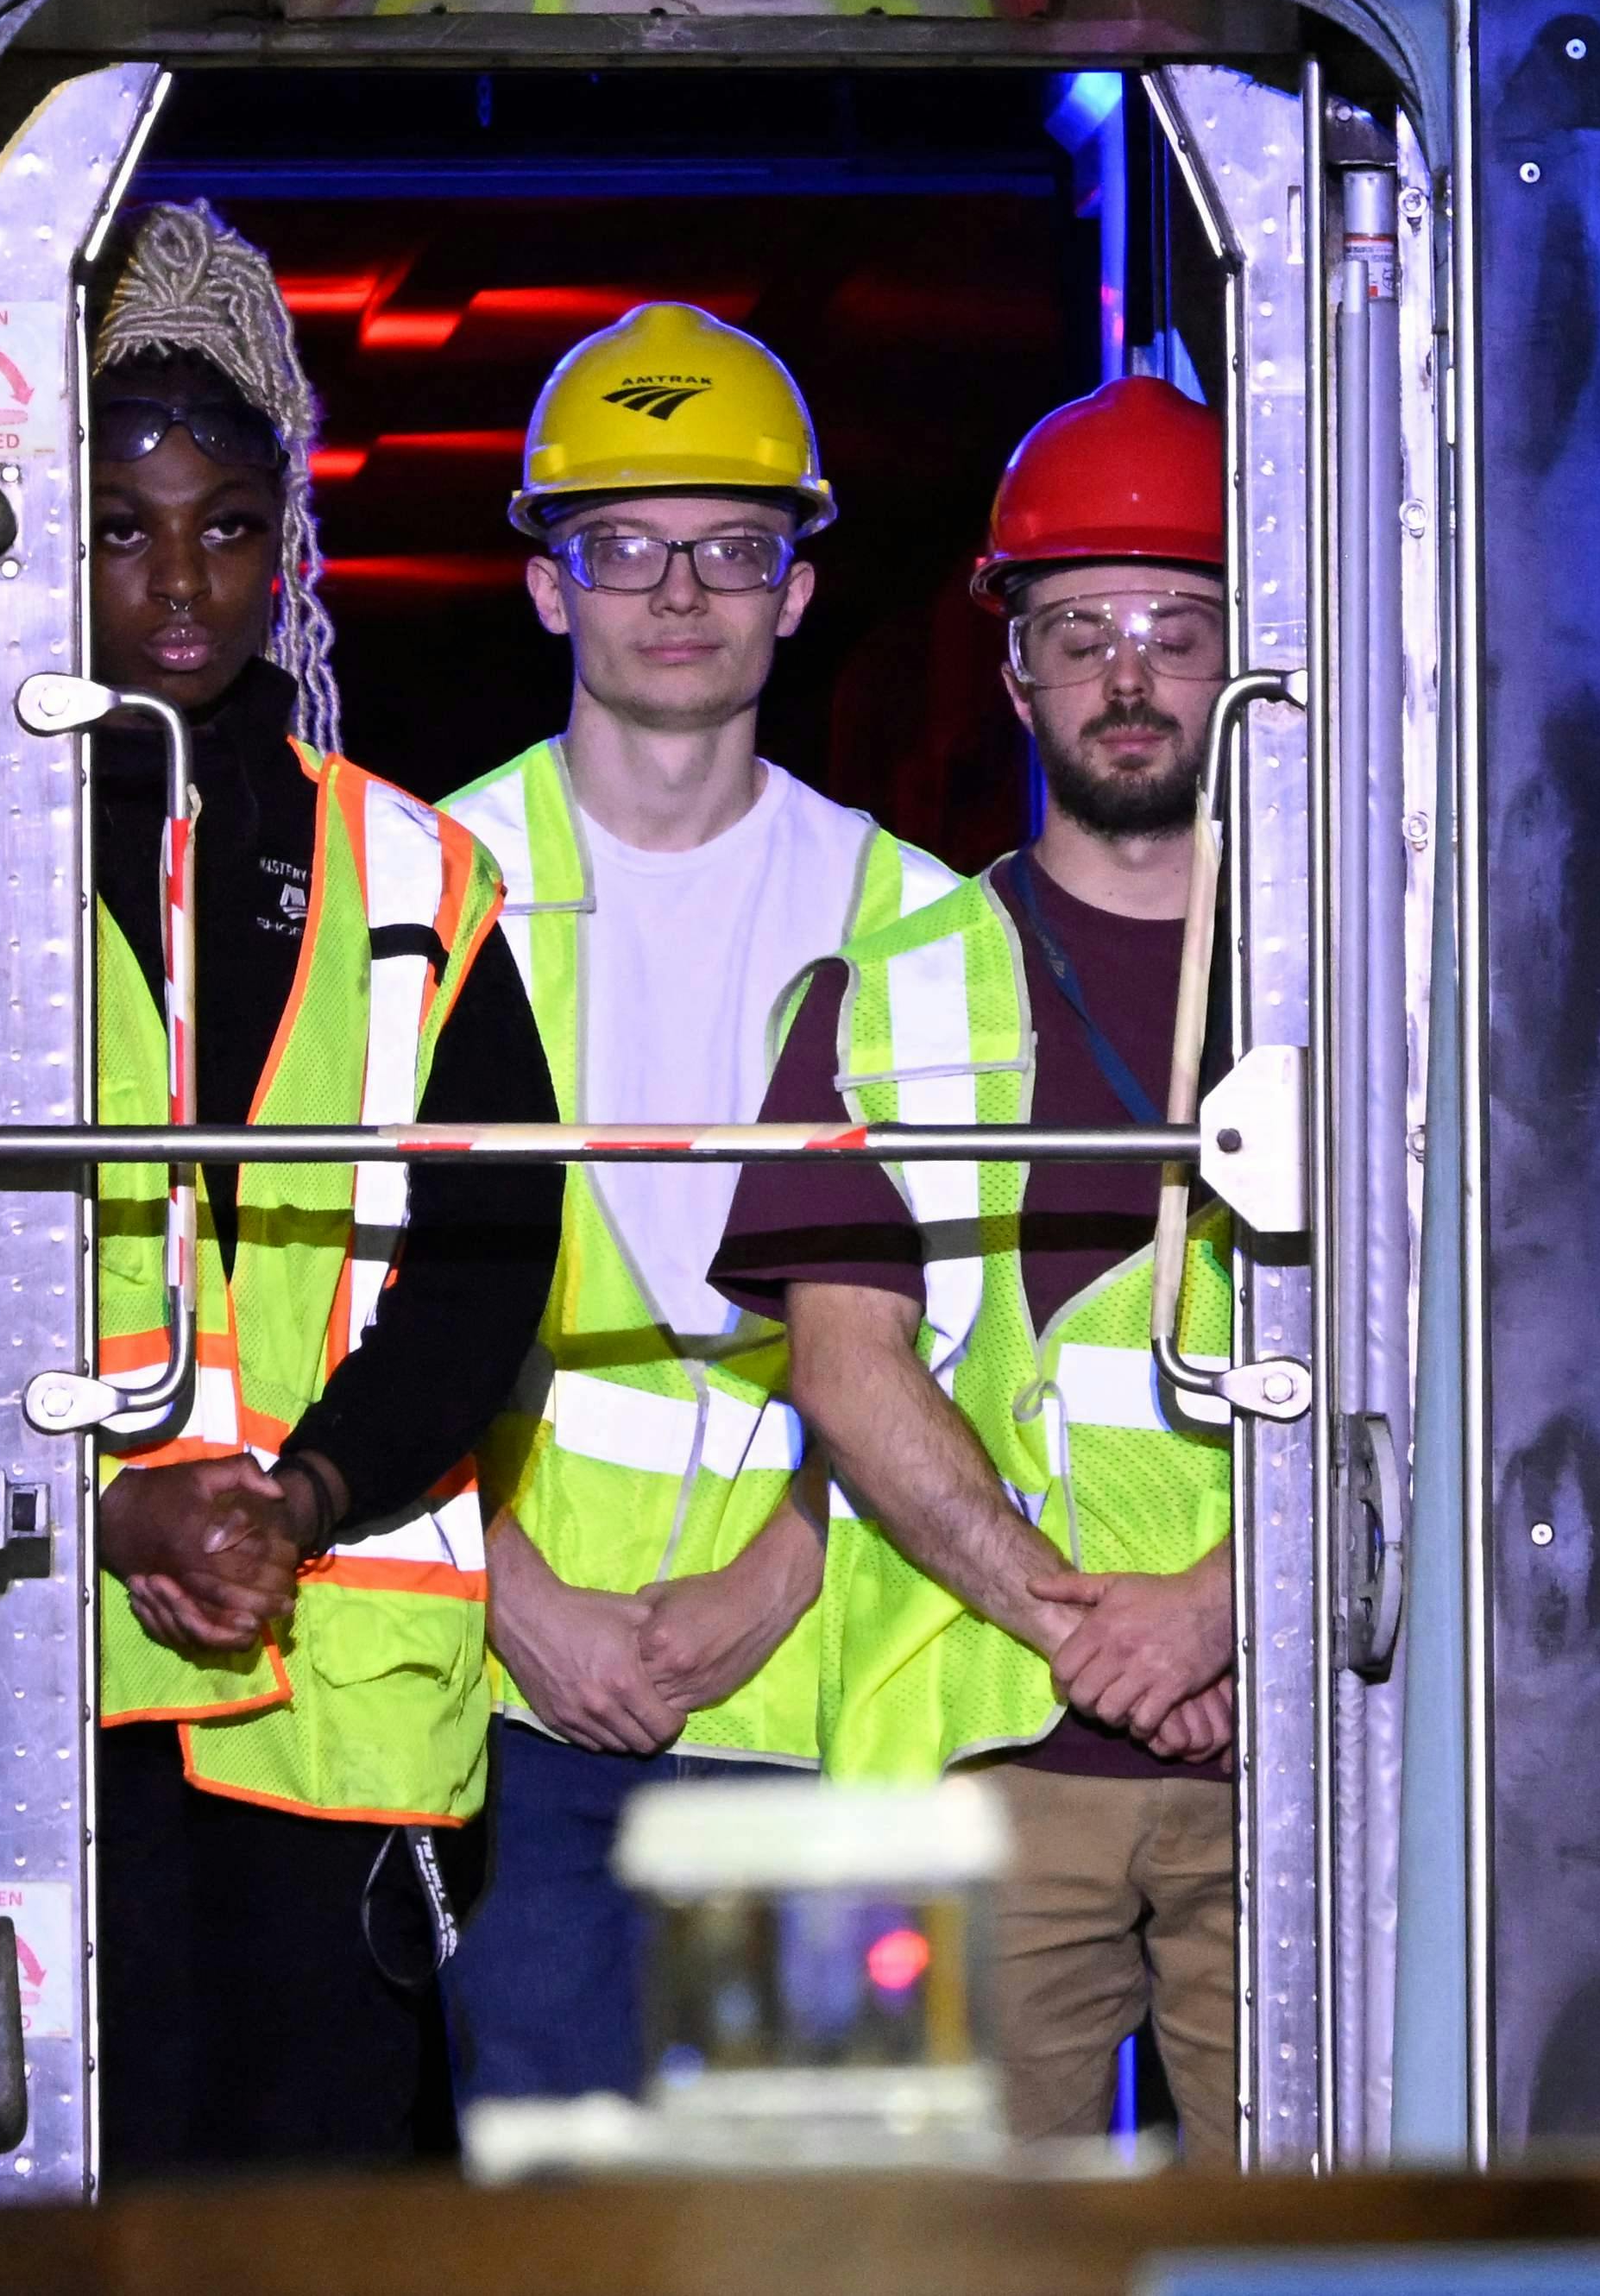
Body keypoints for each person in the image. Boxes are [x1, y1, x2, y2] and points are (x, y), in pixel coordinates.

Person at [428, 303, 975, 2113]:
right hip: (507, 1676)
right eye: (626, 547)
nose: (681, 592)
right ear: (546, 586)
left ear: (799, 588)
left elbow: (973, 1327)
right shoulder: (431, 880)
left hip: (818, 1665)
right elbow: (334, 1304)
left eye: (733, 548)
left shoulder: (907, 910)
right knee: (551, 2211)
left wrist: (797, 1556)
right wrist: (514, 1594)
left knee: (804, 2211)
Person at [70, 200, 564, 2172]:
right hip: (47, 1684)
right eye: (120, 523)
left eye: (223, 525)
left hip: (334, 1695)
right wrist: (110, 1510)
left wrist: (303, 1493)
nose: (179, 578)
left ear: (290, 549)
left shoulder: (417, 875)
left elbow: (487, 1264)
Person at [710, 380, 1250, 2153]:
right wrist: (1087, 1635)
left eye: (1179, 625)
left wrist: (1221, 1612)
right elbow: (845, 1369)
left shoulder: (1379, 978)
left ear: (1251, 656)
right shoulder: (890, 991)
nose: (1127, 671)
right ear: (1013, 671)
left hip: (1305, 1748)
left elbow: (1468, 1344)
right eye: (1075, 626)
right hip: (988, 1753)